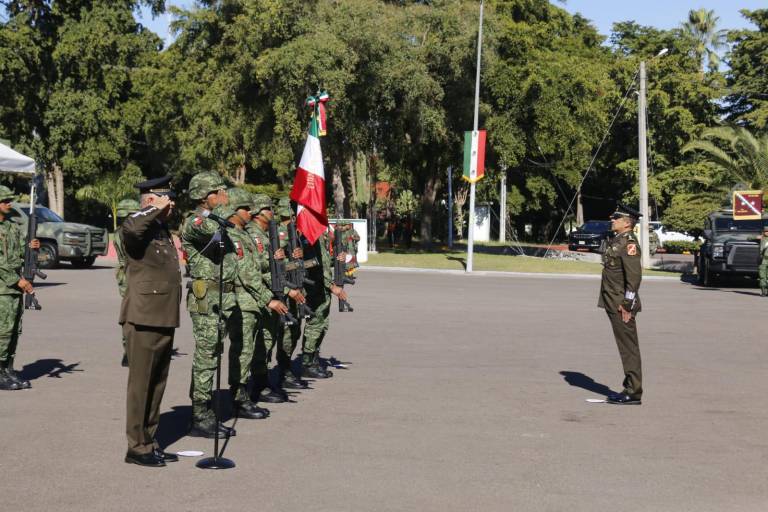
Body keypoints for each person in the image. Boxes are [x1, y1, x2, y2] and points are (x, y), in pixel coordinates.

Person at [119, 176, 182, 467]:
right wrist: (153, 208)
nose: (171, 205)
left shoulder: (160, 229)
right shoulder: (136, 223)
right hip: (143, 316)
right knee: (141, 385)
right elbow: (132, 228)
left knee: (157, 384)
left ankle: (150, 440)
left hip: (164, 314)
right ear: (151, 200)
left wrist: (160, 214)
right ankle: (137, 447)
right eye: (165, 199)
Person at [181, 171, 241, 438]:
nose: (224, 196)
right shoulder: (195, 221)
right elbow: (212, 229)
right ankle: (200, 415)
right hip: (206, 299)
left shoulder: (216, 219)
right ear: (206, 197)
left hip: (223, 298)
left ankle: (205, 411)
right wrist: (227, 206)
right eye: (219, 192)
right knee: (206, 356)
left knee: (213, 354)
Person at [226, 187, 285, 418]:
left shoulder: (244, 234)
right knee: (242, 350)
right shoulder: (234, 235)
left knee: (249, 349)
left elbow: (259, 267)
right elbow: (247, 272)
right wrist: (268, 298)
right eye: (244, 208)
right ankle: (238, 398)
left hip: (252, 299)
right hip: (243, 300)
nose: (249, 212)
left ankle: (246, 392)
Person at [246, 194, 305, 402]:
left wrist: (293, 261)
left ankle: (262, 383)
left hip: (272, 294)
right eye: (269, 210)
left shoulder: (264, 234)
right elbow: (259, 271)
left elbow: (276, 269)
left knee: (268, 340)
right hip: (260, 297)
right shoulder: (253, 236)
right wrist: (289, 291)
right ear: (259, 212)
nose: (273, 214)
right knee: (260, 343)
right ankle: (257, 387)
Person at [598, 204, 643, 405]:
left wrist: (627, 304)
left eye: (616, 217)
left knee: (628, 348)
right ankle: (629, 387)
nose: (612, 219)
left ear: (627, 223)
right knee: (624, 346)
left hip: (621, 304)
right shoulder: (618, 240)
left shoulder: (629, 244)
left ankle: (633, 391)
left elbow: (633, 278)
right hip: (612, 300)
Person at [0, 185, 39, 391]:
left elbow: (17, 253)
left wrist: (30, 247)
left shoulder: (12, 226)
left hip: (14, 288)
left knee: (14, 331)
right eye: (4, 200)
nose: (9, 203)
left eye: (9, 200)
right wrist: (17, 280)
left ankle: (7, 369)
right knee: (2, 332)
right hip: (3, 288)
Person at [300, 227, 349, 379]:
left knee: (322, 325)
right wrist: (331, 285)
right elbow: (312, 265)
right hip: (314, 288)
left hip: (322, 289)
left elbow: (324, 262)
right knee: (314, 325)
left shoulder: (320, 235)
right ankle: (307, 363)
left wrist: (337, 259)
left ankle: (313, 359)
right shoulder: (310, 233)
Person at [114, 198, 140, 367]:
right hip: (134, 273)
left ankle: (128, 350)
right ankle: (132, 350)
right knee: (134, 314)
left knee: (128, 314)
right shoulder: (130, 232)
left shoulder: (118, 231)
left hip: (124, 274)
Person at [759, 226, 768, 297]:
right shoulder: (762, 239)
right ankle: (763, 292)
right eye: (766, 231)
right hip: (763, 261)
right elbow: (748, 238)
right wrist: (757, 237)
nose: (767, 232)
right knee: (762, 277)